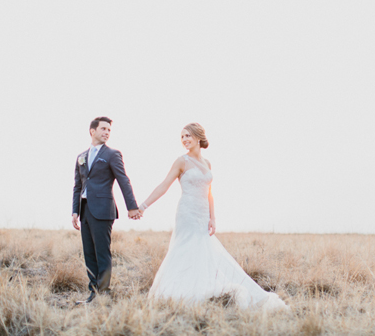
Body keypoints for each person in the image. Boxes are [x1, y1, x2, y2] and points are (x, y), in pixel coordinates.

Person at [138, 123, 288, 310]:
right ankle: (179, 290)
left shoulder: (207, 163)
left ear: (198, 137)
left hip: (203, 214)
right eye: (182, 137)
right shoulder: (181, 161)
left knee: (204, 250)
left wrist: (213, 217)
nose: (184, 140)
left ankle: (204, 285)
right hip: (187, 212)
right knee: (185, 249)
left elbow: (209, 193)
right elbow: (164, 185)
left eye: (187, 136)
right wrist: (143, 206)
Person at [72, 116, 142, 304]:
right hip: (85, 210)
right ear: (92, 131)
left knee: (102, 253)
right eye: (103, 129)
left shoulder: (112, 154)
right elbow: (77, 186)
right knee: (89, 253)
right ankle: (93, 292)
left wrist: (132, 206)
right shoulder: (81, 157)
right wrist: (75, 212)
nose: (107, 133)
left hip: (103, 210)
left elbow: (123, 180)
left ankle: (104, 293)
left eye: (109, 130)